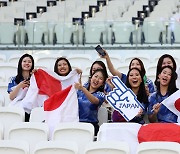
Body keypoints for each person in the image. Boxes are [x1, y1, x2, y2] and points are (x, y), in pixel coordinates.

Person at [75, 69, 108, 136]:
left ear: (102, 83)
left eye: (100, 79)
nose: (97, 80)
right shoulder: (80, 92)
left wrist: (83, 89)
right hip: (77, 125)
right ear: (91, 78)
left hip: (91, 126)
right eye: (95, 76)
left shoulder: (101, 94)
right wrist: (78, 75)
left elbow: (94, 101)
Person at [7, 53, 34, 122]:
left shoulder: (35, 78)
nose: (27, 63)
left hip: (32, 107)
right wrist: (19, 86)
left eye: (29, 62)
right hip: (18, 107)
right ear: (20, 63)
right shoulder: (13, 79)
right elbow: (11, 97)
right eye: (24, 61)